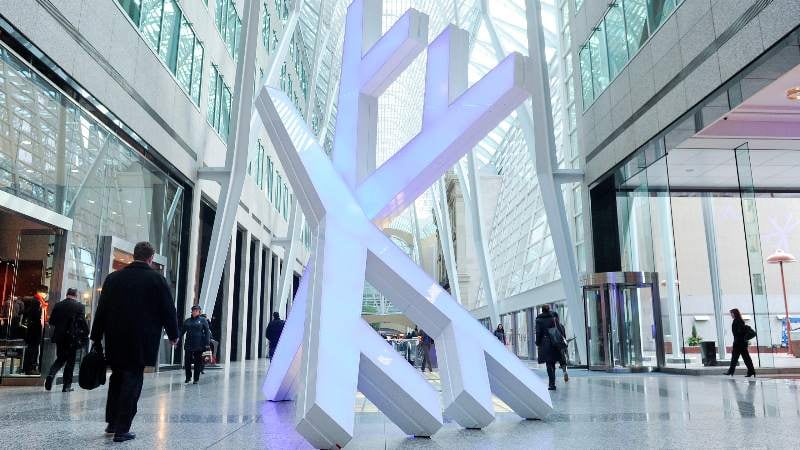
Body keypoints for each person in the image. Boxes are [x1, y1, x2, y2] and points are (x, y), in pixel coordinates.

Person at [90, 241, 179, 443]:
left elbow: (102, 309)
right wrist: (173, 334)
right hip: (141, 340)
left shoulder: (113, 278)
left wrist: (96, 336)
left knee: (117, 378)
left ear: (133, 255)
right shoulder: (156, 279)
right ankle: (122, 429)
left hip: (114, 339)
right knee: (132, 379)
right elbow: (168, 310)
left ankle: (112, 422)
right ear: (151, 258)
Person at [45, 288, 87, 392]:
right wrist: (86, 333)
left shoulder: (58, 305)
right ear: (75, 295)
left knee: (60, 358)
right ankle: (66, 386)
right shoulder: (79, 306)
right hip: (72, 338)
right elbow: (82, 323)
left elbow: (52, 321)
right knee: (70, 362)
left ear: (67, 294)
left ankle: (51, 374)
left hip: (60, 337)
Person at [535, 305, 566, 391]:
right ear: (549, 310)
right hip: (555, 343)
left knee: (549, 364)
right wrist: (562, 340)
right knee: (553, 362)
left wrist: (537, 342)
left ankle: (551, 384)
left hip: (545, 344)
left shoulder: (539, 320)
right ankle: (553, 381)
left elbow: (538, 333)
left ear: (542, 310)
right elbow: (559, 330)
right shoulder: (554, 318)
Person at [21, 285, 49, 375]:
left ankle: (30, 367)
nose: (46, 295)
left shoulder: (38, 301)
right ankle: (30, 368)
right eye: (46, 293)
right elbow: (35, 315)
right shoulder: (36, 302)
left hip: (35, 328)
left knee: (33, 348)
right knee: (33, 349)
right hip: (35, 329)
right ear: (42, 292)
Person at [181, 305, 211, 384]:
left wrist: (207, 343)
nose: (195, 312)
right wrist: (176, 339)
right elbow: (182, 332)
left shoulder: (203, 320)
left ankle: (196, 379)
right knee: (187, 362)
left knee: (198, 362)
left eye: (196, 310)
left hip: (199, 345)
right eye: (193, 310)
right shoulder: (187, 321)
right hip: (188, 344)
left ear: (199, 311)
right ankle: (188, 377)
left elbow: (207, 332)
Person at [726, 308, 756, 377]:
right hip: (741, 343)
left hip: (739, 343)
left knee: (735, 358)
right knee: (745, 358)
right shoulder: (739, 320)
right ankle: (751, 371)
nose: (731, 315)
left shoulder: (737, 321)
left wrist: (737, 339)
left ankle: (731, 371)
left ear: (735, 313)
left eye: (732, 313)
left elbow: (740, 332)